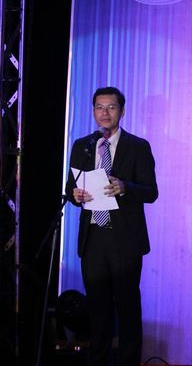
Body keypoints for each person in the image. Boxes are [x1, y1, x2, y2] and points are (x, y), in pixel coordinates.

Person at [65, 86, 158, 366]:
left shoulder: (138, 146)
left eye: (111, 107)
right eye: (99, 107)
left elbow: (151, 192)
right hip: (93, 238)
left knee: (127, 307)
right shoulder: (82, 145)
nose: (104, 113)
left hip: (125, 240)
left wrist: (125, 187)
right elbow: (71, 187)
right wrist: (75, 195)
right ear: (93, 111)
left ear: (122, 111)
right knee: (98, 309)